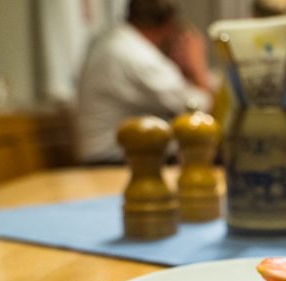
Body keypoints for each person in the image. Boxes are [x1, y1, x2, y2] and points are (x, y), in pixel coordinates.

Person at [77, 0, 212, 163]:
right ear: (169, 26)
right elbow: (200, 110)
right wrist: (198, 66)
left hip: (108, 157)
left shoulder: (115, 41)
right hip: (112, 162)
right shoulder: (136, 54)